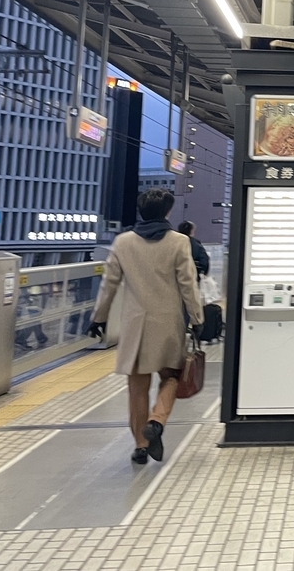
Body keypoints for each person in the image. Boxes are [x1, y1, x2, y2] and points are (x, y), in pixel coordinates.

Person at [87, 188, 203, 465]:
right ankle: (157, 420)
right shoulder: (178, 242)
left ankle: (140, 444)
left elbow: (109, 283)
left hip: (135, 325)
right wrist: (198, 318)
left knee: (137, 387)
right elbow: (188, 284)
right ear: (167, 212)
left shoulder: (123, 242)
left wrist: (98, 317)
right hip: (168, 323)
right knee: (171, 377)